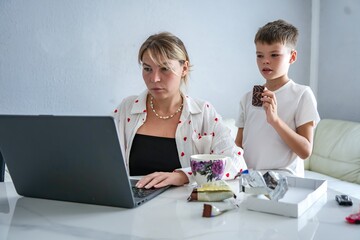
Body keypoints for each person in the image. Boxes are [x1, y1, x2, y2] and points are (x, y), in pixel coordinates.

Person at [114, 32, 247, 189]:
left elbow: (237, 163)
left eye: (165, 69)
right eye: (147, 68)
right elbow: (100, 156)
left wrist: (184, 175)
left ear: (184, 68)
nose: (154, 78)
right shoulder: (127, 108)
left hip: (184, 208)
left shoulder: (203, 112)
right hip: (132, 206)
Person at [235, 20, 320, 177]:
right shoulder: (248, 98)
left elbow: (305, 151)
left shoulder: (302, 94)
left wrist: (275, 120)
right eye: (260, 55)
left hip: (284, 180)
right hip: (251, 179)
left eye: (274, 55)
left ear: (292, 57)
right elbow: (239, 144)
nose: (265, 61)